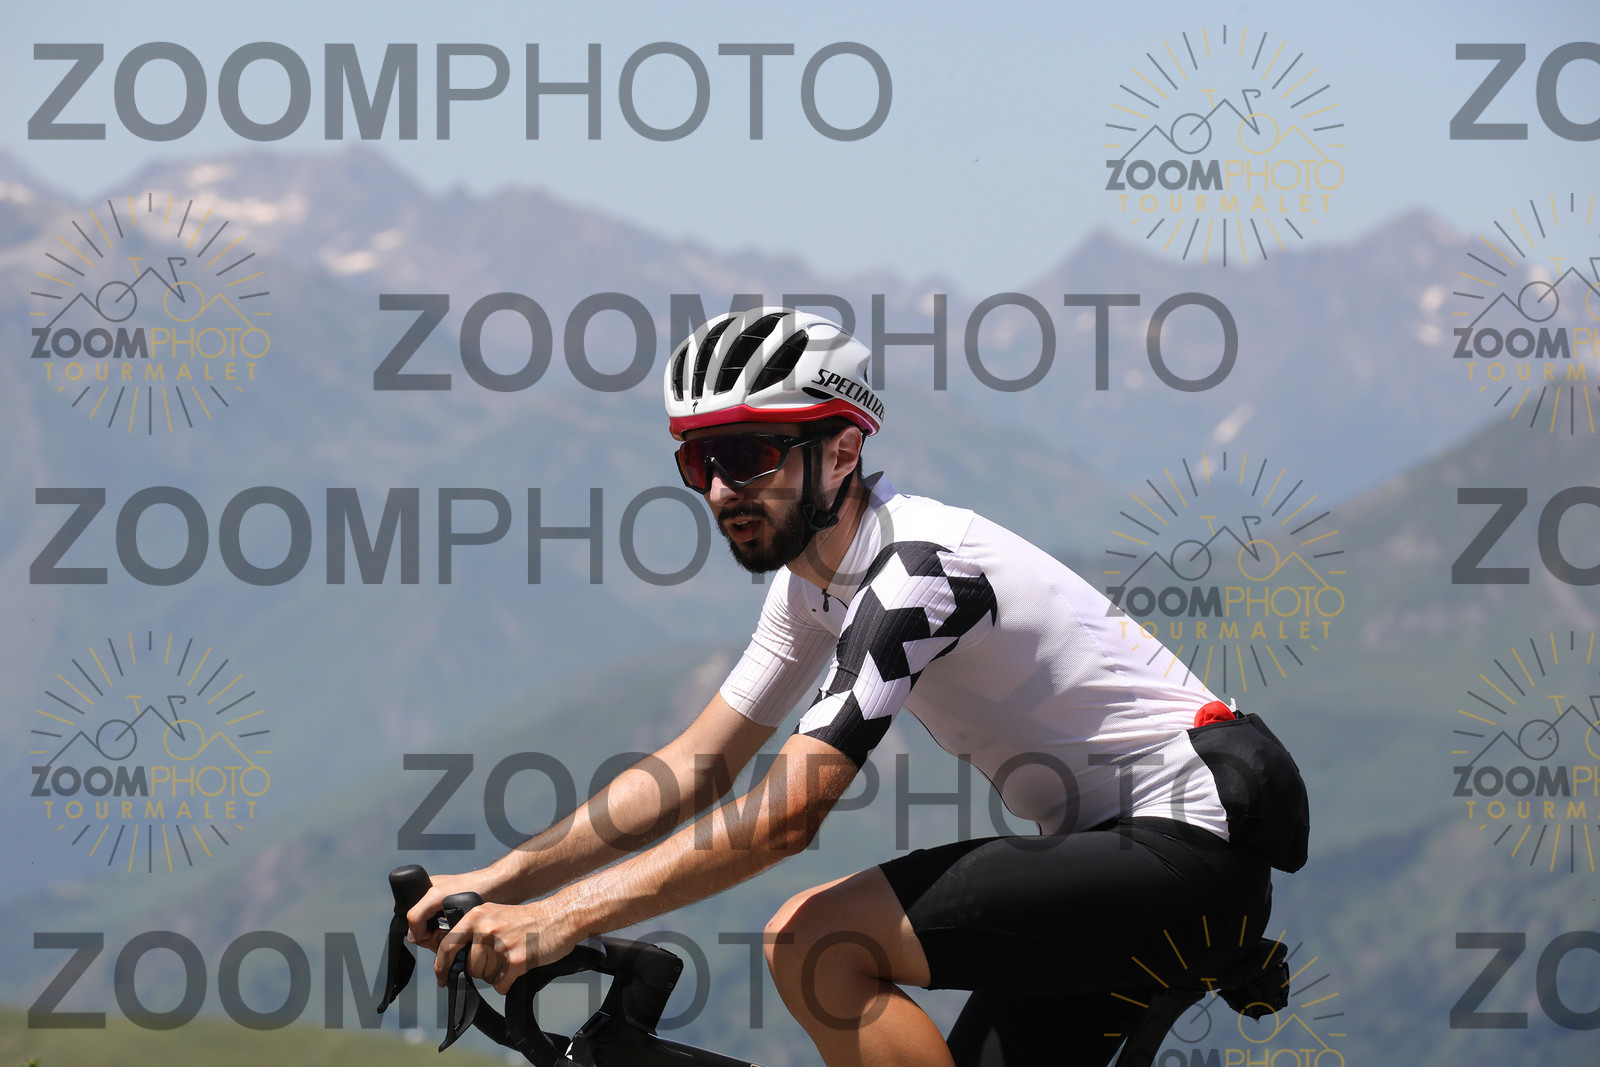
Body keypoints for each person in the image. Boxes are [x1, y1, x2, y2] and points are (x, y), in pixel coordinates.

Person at [409, 308, 1293, 1066]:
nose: (719, 489)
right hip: (1122, 857)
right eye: (698, 460)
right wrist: (505, 878)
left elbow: (786, 817)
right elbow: (695, 766)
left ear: (841, 451)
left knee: (814, 940)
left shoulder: (920, 572)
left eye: (748, 454)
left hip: (1185, 843)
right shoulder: (810, 588)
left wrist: (562, 918)